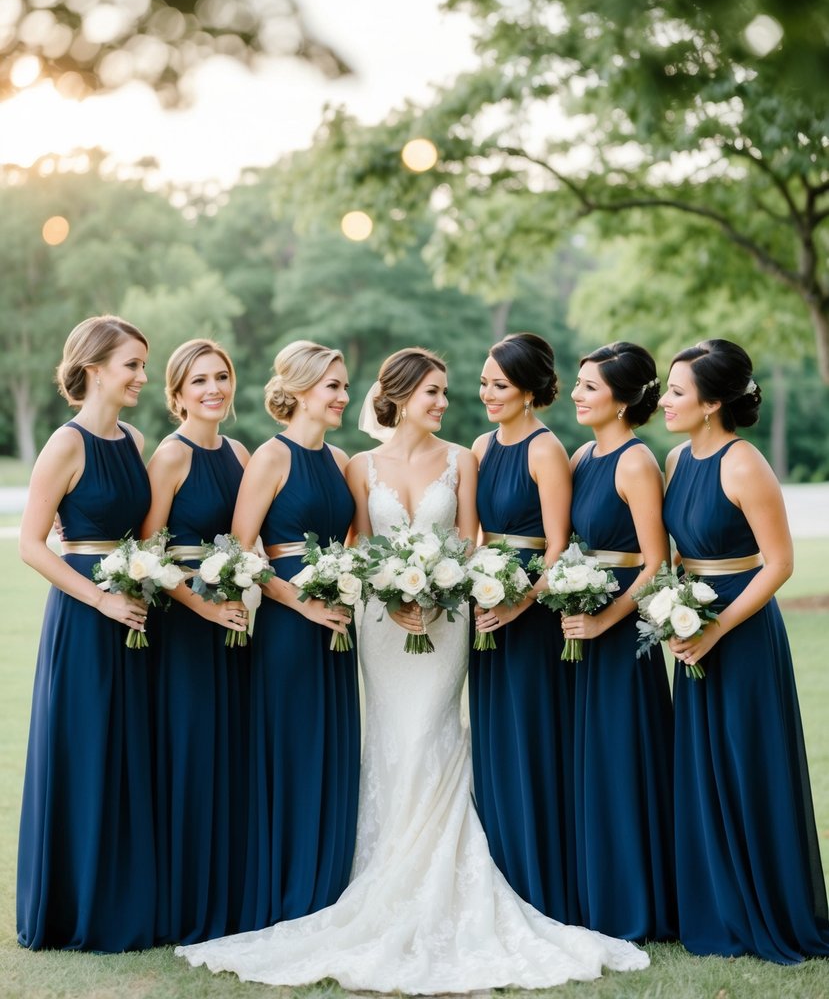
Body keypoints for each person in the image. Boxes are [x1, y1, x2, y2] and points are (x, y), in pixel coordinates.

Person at [176, 347, 649, 991]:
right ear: (396, 396)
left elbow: (469, 542)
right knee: (391, 737)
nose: (442, 404)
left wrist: (438, 592)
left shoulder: (465, 459)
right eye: (431, 393)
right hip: (376, 624)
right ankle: (379, 870)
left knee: (433, 732)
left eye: (446, 394)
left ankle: (436, 871)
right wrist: (389, 595)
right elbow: (359, 546)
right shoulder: (356, 465)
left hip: (449, 616)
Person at [660, 338, 829, 963]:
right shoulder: (675, 459)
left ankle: (767, 908)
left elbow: (780, 563)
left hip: (743, 631)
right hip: (691, 623)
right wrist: (673, 611)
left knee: (747, 762)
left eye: (678, 392)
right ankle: (715, 906)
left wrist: (715, 627)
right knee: (701, 770)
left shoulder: (744, 464)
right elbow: (676, 553)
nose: (666, 400)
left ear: (712, 403)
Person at [17, 315, 155, 951]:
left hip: (134, 613)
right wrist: (100, 598)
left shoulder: (134, 439)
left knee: (126, 751)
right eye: (131, 366)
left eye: (143, 366)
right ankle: (73, 906)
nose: (142, 378)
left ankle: (122, 898)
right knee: (84, 748)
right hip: (83, 616)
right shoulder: (65, 444)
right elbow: (30, 544)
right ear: (95, 368)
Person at [231, 340, 359, 931]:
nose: (343, 395)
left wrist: (348, 585)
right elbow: (240, 553)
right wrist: (299, 603)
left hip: (337, 623)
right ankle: (286, 888)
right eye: (333, 385)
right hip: (288, 627)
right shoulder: (270, 458)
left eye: (344, 385)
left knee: (333, 747)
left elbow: (354, 540)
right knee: (292, 748)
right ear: (302, 389)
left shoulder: (338, 462)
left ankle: (326, 883)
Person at [563, 341, 676, 941]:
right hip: (579, 626)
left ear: (624, 398)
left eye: (589, 386)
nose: (577, 394)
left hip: (621, 634)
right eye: (578, 383)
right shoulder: (582, 456)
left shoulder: (636, 462)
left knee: (623, 761)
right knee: (592, 764)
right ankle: (596, 893)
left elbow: (656, 563)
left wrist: (607, 622)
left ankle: (637, 904)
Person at [141, 339, 251, 944]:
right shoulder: (170, 456)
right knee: (191, 752)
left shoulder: (237, 451)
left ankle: (229, 895)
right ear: (178, 393)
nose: (214, 389)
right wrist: (202, 605)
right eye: (199, 381)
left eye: (222, 377)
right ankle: (184, 901)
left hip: (235, 617)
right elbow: (148, 550)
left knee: (230, 749)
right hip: (186, 625)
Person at [469, 332, 578, 921]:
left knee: (531, 737)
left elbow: (558, 548)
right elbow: (475, 534)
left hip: (529, 615)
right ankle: (500, 869)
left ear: (530, 390)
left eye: (500, 384)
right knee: (492, 740)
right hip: (484, 608)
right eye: (484, 382)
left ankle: (542, 879)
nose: (488, 393)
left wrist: (519, 604)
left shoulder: (546, 450)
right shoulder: (482, 447)